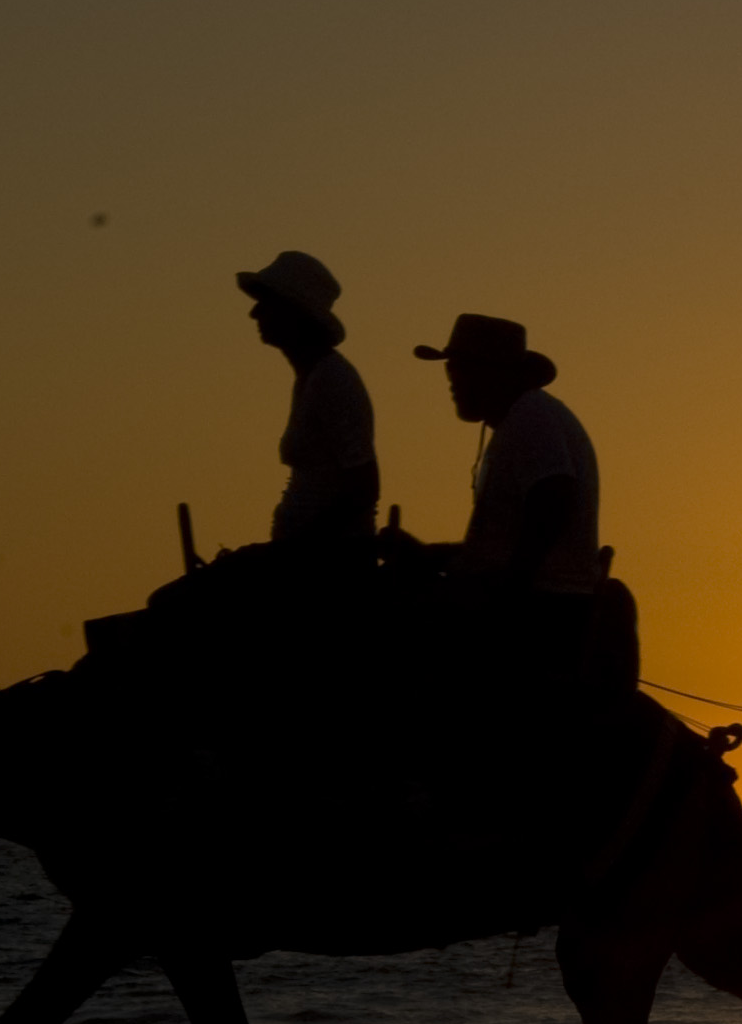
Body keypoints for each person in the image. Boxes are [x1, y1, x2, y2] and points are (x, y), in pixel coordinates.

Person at [412, 313, 612, 699]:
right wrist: (433, 556)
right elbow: (509, 536)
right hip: (545, 600)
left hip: (544, 608)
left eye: (461, 368)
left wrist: (507, 591)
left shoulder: (530, 419)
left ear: (493, 373)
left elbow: (554, 496)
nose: (451, 380)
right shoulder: (527, 419)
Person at [238, 251, 379, 554]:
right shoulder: (314, 378)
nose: (255, 313)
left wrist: (301, 547)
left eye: (267, 303)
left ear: (294, 312)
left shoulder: (332, 380)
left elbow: (364, 487)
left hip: (329, 565)